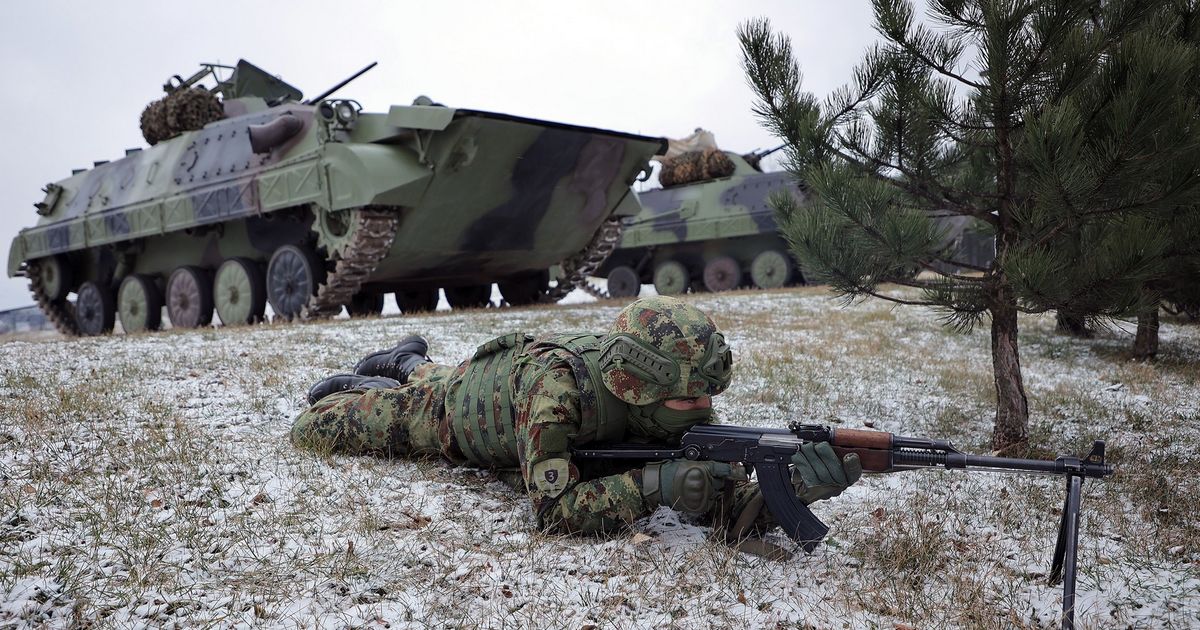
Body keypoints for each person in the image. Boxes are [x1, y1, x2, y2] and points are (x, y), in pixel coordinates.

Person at [290, 296, 861, 546]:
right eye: (684, 404)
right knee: (320, 426)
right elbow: (552, 511)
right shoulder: (559, 390)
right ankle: (373, 382)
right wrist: (652, 486)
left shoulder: (677, 400)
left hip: (501, 389)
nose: (701, 414)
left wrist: (796, 492)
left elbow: (728, 506)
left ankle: (408, 361)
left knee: (429, 372)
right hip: (462, 412)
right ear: (640, 388)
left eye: (704, 401)